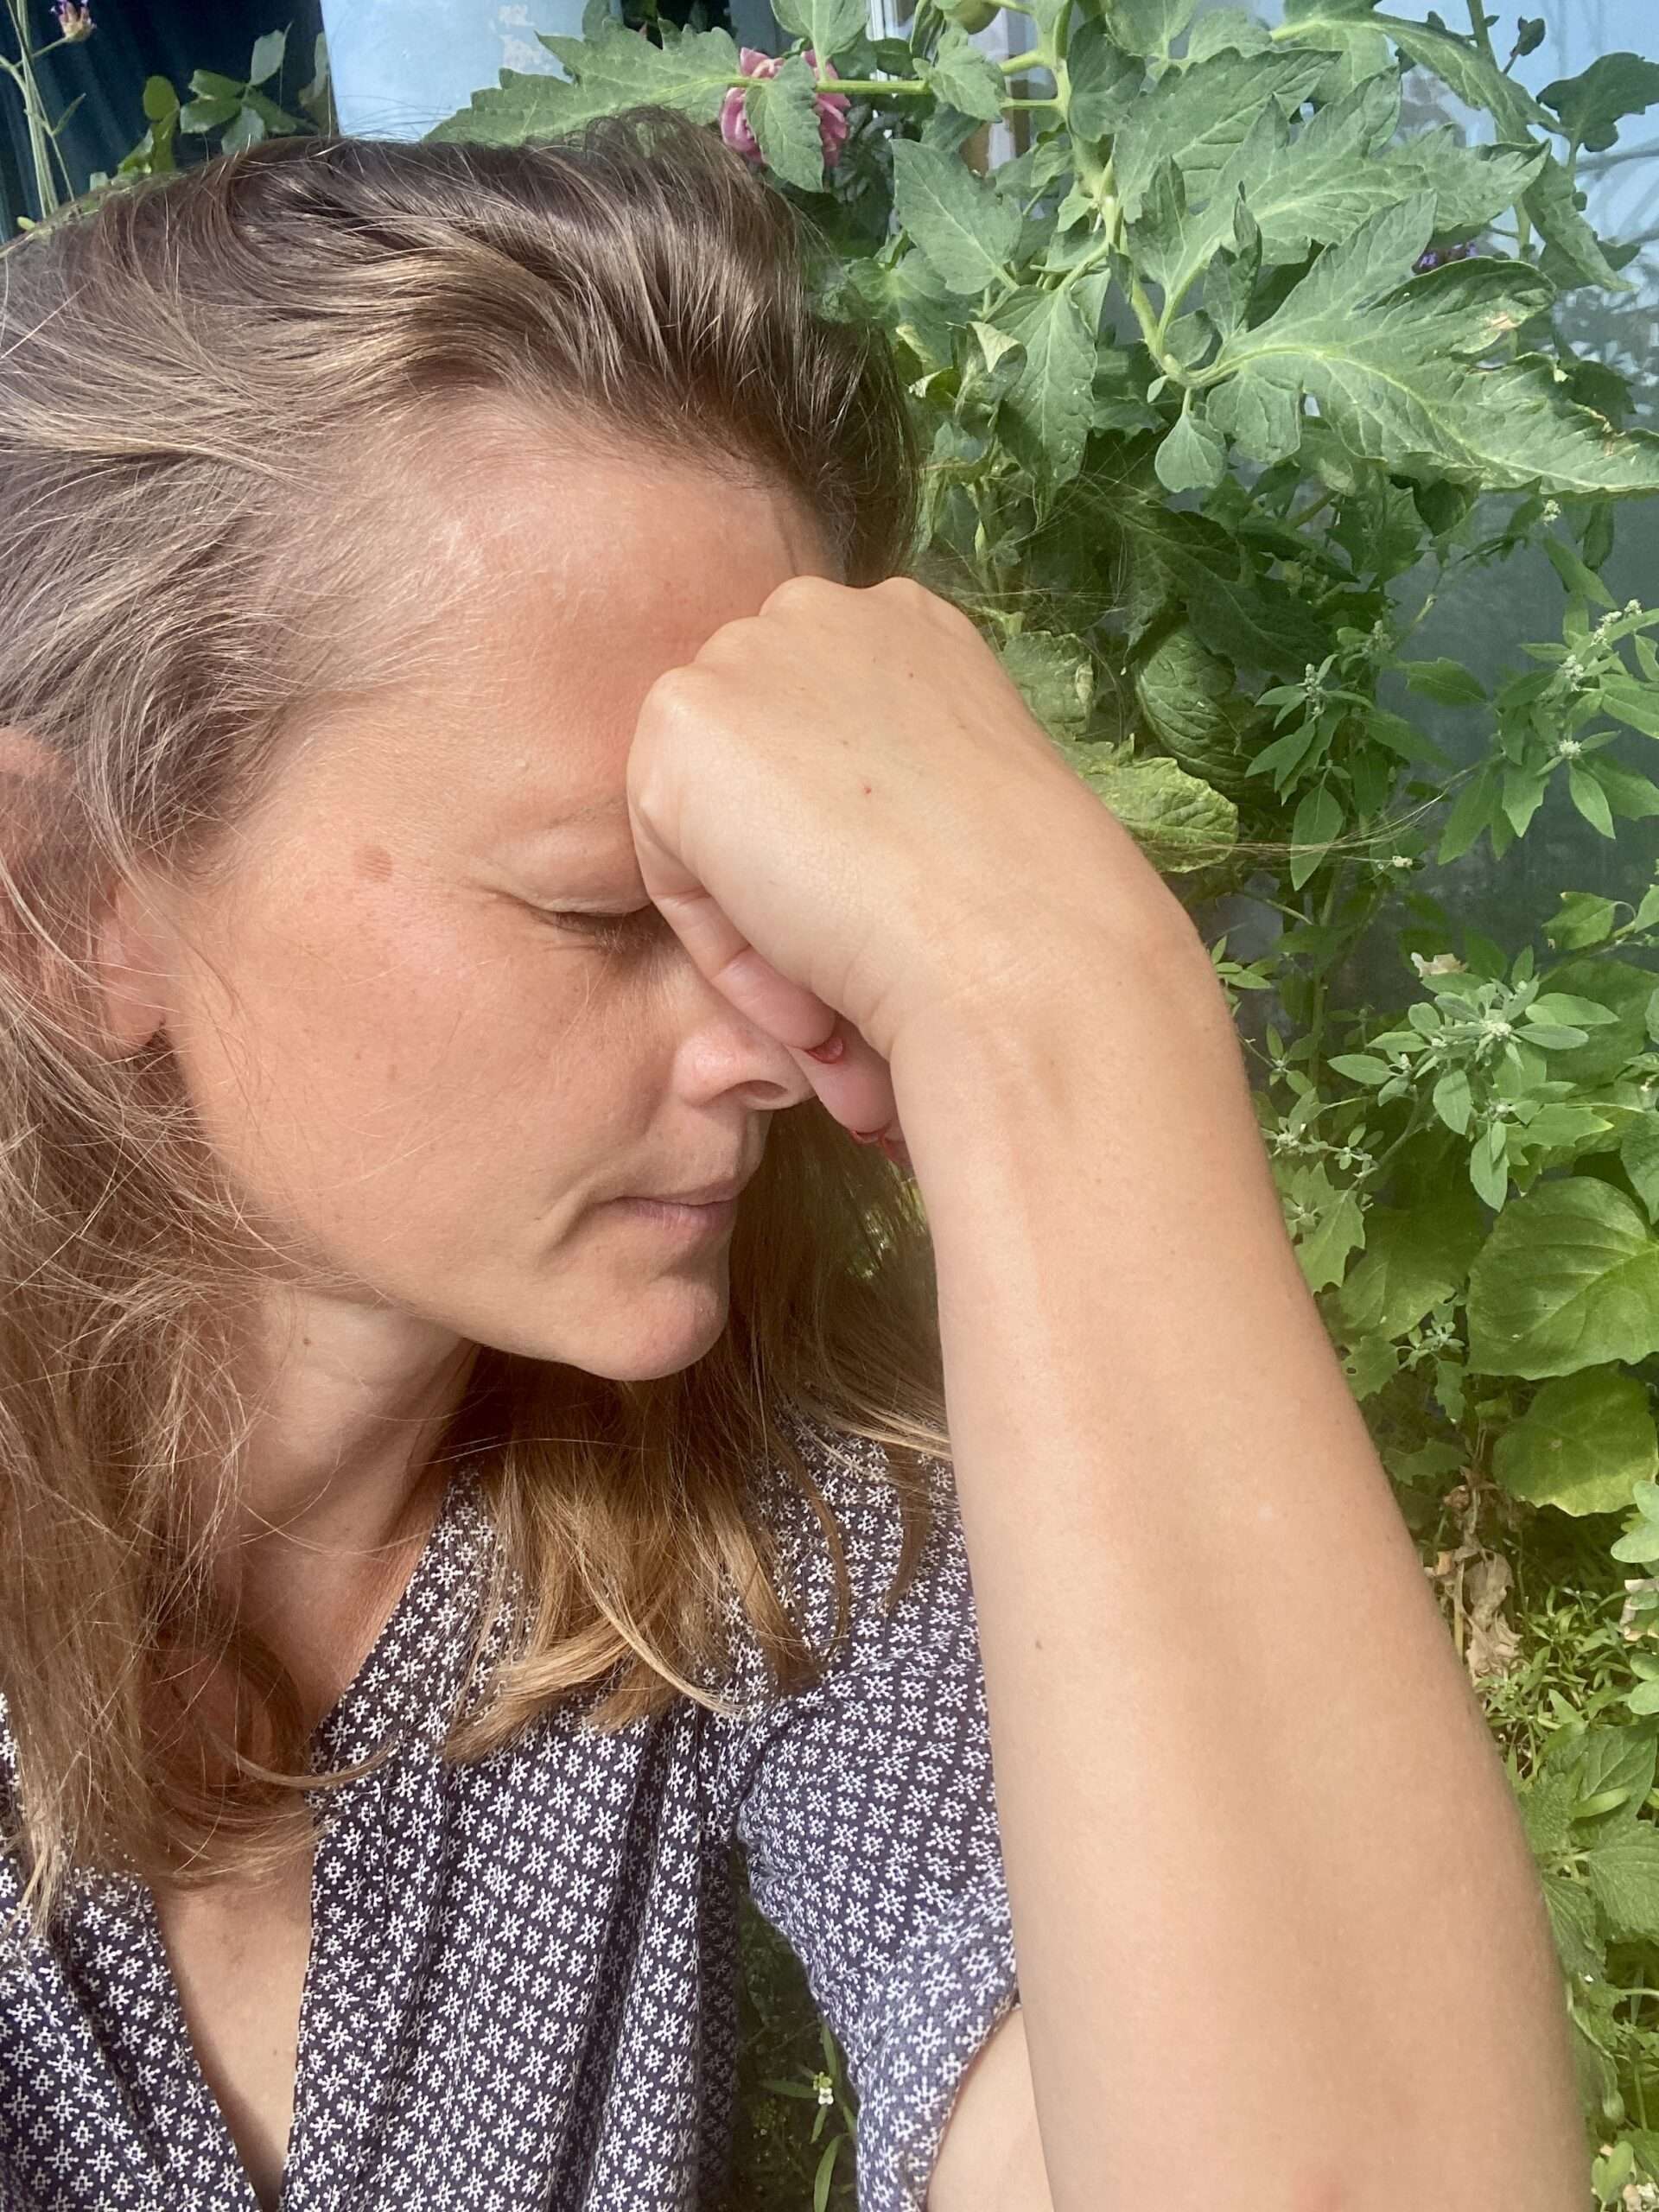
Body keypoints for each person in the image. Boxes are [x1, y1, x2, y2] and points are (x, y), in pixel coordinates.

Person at [0, 110, 1589, 2212]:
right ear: (70, 894)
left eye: (779, 902)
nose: (780, 1041)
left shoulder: (767, 1520)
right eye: (598, 908)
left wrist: (1064, 1003)